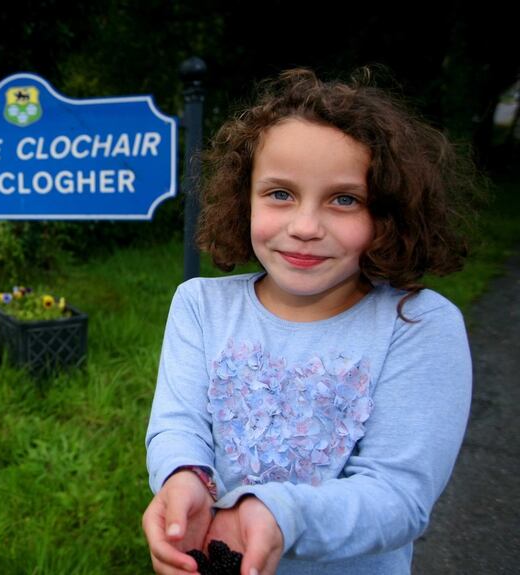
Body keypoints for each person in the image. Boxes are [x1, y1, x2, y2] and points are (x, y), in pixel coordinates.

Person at [143, 68, 478, 574]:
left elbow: (398, 496)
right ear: (243, 197)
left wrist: (280, 515)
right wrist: (182, 476)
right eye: (280, 193)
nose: (304, 227)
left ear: (389, 213)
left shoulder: (419, 325)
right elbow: (178, 425)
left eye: (345, 199)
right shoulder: (200, 304)